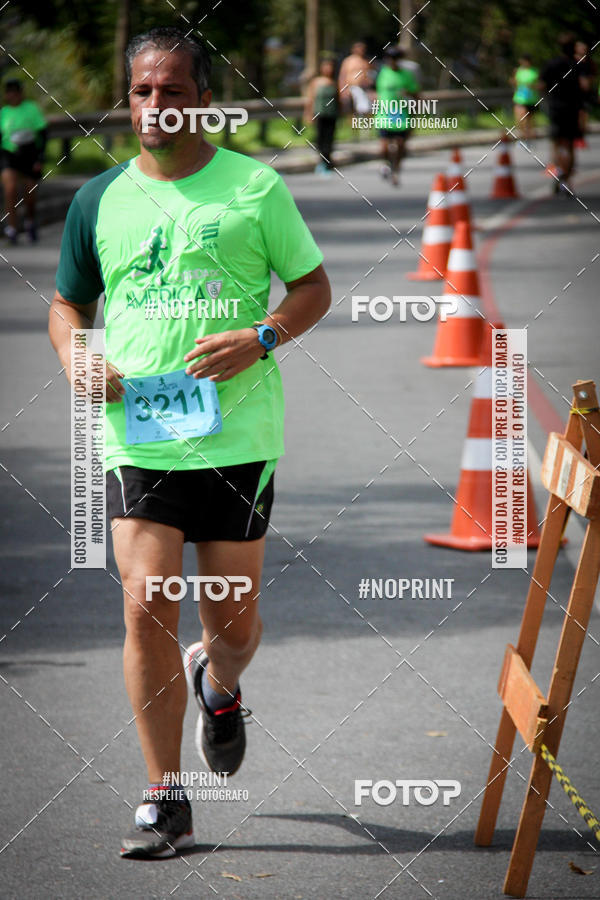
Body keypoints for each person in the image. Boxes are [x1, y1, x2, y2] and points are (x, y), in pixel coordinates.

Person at [48, 26, 331, 859]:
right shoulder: (98, 199)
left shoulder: (253, 189)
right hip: (139, 438)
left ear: (205, 99)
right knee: (144, 609)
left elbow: (312, 288)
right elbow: (68, 305)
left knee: (234, 625)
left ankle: (222, 680)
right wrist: (75, 354)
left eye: (174, 90)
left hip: (239, 434)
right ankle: (165, 797)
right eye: (143, 91)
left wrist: (264, 337)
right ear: (126, 99)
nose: (158, 105)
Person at [0, 79, 47, 244]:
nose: (12, 96)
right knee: (10, 189)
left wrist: (40, 157)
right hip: (9, 155)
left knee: (29, 193)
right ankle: (12, 228)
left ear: (21, 94)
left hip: (29, 154)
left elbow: (42, 133)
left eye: (15, 92)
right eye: (9, 92)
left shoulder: (31, 109)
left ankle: (30, 221)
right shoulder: (3, 112)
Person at [540, 33, 584, 194]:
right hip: (572, 109)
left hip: (556, 109)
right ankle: (566, 179)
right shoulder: (577, 65)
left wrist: (549, 97)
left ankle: (559, 173)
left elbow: (541, 85)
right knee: (570, 145)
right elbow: (584, 87)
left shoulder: (551, 64)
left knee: (557, 144)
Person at [375, 47, 418, 187]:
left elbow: (416, 94)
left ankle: (396, 170)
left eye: (395, 59)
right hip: (384, 115)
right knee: (384, 147)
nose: (392, 62)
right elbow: (373, 91)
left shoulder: (406, 75)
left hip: (401, 115)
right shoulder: (382, 74)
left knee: (400, 144)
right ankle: (387, 163)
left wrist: (414, 113)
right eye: (390, 59)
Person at [304, 57, 339, 174]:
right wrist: (308, 114)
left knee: (329, 139)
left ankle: (327, 161)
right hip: (319, 114)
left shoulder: (334, 82)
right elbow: (310, 99)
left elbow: (338, 99)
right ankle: (322, 159)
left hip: (331, 114)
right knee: (319, 138)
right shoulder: (316, 82)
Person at [338, 41, 374, 115]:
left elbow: (370, 75)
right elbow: (342, 76)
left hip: (364, 88)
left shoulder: (366, 61)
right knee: (351, 110)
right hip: (351, 87)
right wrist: (343, 90)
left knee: (365, 108)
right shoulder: (348, 61)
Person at [574, 40, 596, 149]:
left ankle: (580, 137)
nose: (583, 50)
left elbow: (593, 76)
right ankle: (576, 137)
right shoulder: (572, 61)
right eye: (580, 48)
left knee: (583, 115)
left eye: (584, 48)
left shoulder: (589, 62)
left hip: (585, 94)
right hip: (574, 93)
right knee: (576, 115)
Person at [511, 55, 539, 143]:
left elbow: (540, 84)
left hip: (531, 99)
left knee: (529, 121)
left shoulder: (534, 71)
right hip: (519, 98)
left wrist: (532, 86)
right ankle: (523, 137)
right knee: (521, 118)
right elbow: (514, 82)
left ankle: (528, 138)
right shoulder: (518, 71)